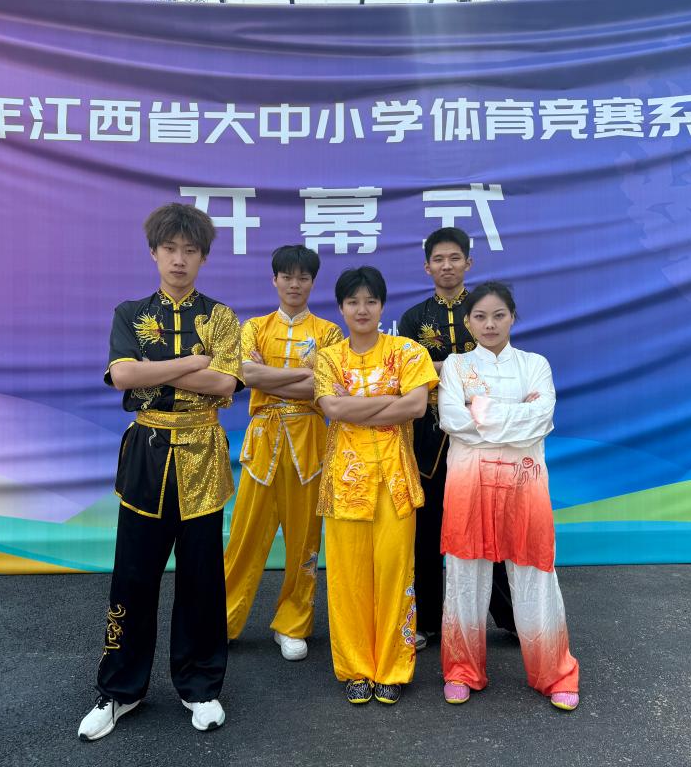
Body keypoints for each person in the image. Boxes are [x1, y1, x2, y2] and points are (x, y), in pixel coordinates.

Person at [78, 203, 244, 740]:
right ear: (153, 252)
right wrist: (193, 362)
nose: (179, 260)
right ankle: (120, 690)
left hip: (203, 457)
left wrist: (157, 372)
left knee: (201, 579)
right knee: (133, 577)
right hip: (147, 456)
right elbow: (123, 375)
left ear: (203, 258)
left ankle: (200, 686)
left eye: (189, 251)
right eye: (169, 249)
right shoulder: (130, 313)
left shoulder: (221, 317)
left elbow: (225, 384)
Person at [437, 281, 579, 711]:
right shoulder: (456, 366)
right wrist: (514, 414)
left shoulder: (535, 365)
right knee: (464, 575)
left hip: (525, 483)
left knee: (536, 571)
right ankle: (461, 669)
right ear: (468, 322)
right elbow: (452, 421)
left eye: (499, 315)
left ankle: (554, 672)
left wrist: (480, 408)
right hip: (468, 484)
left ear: (512, 317)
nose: (490, 324)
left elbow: (542, 419)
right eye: (480, 316)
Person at [314, 266, 438, 705]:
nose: (362, 309)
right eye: (353, 302)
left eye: (370, 301)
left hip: (394, 480)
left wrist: (355, 406)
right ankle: (355, 668)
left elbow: (417, 406)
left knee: (394, 572)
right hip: (345, 481)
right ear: (341, 307)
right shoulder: (328, 357)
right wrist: (390, 402)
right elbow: (331, 408)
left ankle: (393, 667)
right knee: (347, 578)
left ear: (382, 306)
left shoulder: (407, 351)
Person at [397, 227, 516, 651]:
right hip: (427, 440)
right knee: (426, 533)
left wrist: (438, 368)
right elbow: (407, 373)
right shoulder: (414, 318)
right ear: (427, 266)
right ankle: (426, 621)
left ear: (469, 262)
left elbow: (498, 364)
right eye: (439, 259)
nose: (447, 266)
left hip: (481, 436)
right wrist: (461, 368)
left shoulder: (483, 309)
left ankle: (510, 617)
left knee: (488, 529)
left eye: (454, 258)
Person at [223, 245, 343, 660]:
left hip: (309, 444)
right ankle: (223, 619)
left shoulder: (329, 333)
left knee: (304, 540)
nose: (295, 284)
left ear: (312, 282)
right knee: (243, 536)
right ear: (274, 279)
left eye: (303, 277)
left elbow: (323, 385)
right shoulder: (254, 327)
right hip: (262, 443)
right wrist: (298, 376)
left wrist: (268, 376)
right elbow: (243, 373)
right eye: (287, 276)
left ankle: (293, 623)